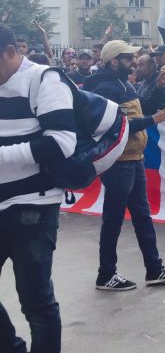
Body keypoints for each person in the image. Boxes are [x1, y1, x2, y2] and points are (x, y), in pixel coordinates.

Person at [84, 41, 165, 291]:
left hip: (133, 158)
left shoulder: (123, 82)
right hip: (118, 161)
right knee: (114, 219)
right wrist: (154, 119)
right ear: (114, 61)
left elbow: (140, 110)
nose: (133, 61)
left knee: (142, 216)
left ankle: (154, 268)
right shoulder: (105, 87)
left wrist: (159, 96)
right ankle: (106, 274)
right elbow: (116, 127)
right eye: (128, 58)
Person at [0, 23, 76, 352]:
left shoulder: (44, 79)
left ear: (12, 52)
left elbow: (62, 143)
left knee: (35, 302)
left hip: (33, 205)